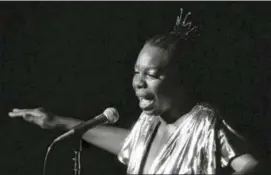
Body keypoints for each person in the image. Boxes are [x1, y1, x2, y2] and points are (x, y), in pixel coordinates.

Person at [9, 8, 259, 174]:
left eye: (151, 75)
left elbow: (253, 167)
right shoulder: (149, 121)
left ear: (180, 80)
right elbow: (130, 145)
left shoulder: (204, 122)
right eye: (136, 72)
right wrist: (57, 121)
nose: (138, 82)